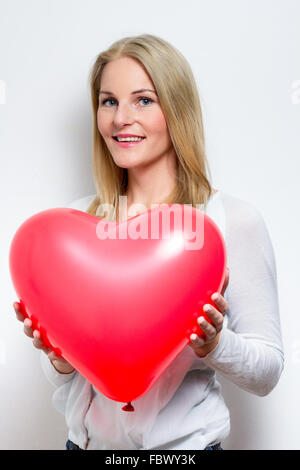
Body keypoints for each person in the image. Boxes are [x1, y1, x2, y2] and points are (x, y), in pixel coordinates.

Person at [13, 34, 284, 450]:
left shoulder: (228, 221)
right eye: (108, 101)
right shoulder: (76, 225)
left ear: (176, 110)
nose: (121, 118)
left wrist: (214, 343)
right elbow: (75, 378)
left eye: (143, 100)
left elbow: (267, 373)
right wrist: (59, 358)